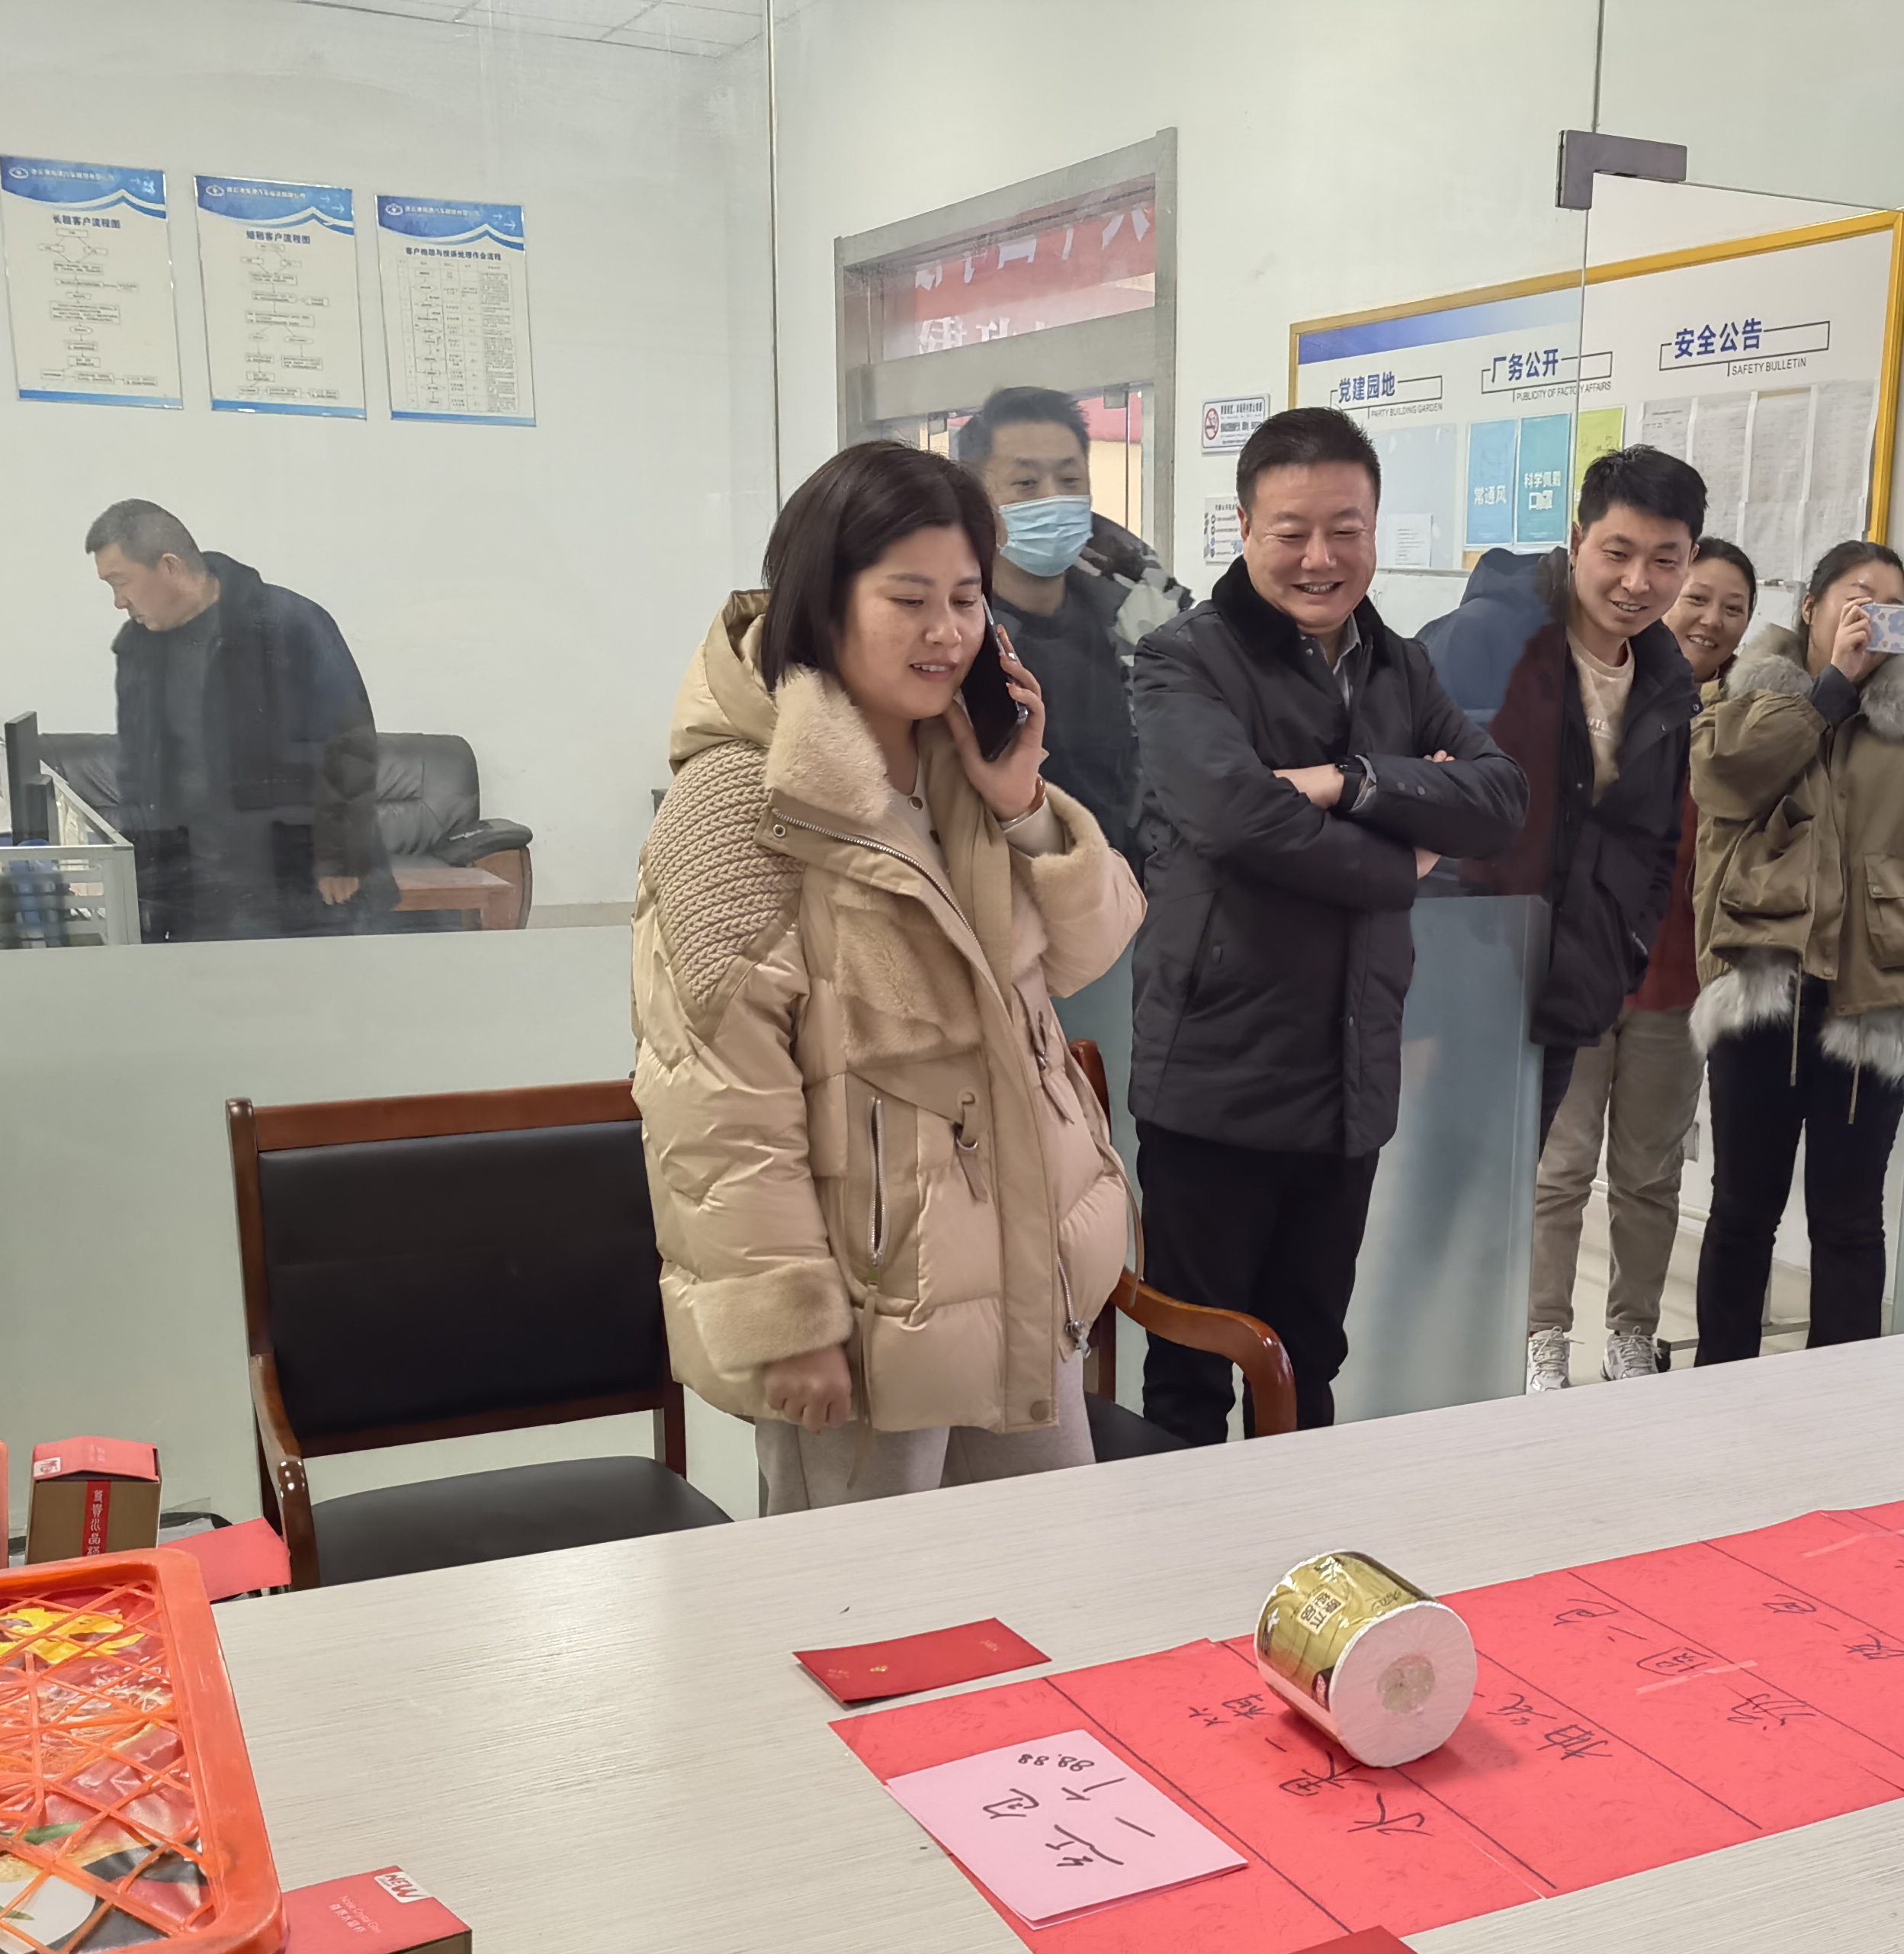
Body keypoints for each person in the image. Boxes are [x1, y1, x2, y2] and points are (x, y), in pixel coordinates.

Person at [629, 439, 1144, 1512]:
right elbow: (718, 1103)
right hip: (869, 1313)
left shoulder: (965, 758)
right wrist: (790, 1323)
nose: (947, 631)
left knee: (1049, 1578)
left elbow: (1086, 955)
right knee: (870, 1607)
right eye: (908, 599)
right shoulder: (738, 804)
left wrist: (1024, 804)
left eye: (966, 598)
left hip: (1018, 1278)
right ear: (823, 601)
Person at [1129, 406, 1525, 1442]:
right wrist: (1405, 853)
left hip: (1348, 1075)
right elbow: (1238, 820)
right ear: (1244, 530)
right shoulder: (1182, 661)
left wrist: (1347, 782)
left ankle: (1301, 1548)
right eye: (1292, 531)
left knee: (1311, 1358)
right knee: (1192, 1370)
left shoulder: (1399, 664)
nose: (1320, 557)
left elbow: (1499, 800)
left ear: (1375, 529)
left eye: (1345, 529)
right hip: (1217, 1078)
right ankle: (1181, 1552)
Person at [1418, 461, 1713, 1389]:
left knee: (1516, 1200)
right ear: (1578, 539)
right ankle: (1417, 1394)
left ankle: (1485, 1386)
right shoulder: (1485, 639)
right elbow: (1409, 797)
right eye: (1617, 552)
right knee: (1433, 1211)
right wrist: (1447, 966)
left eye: (1663, 560)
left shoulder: (1662, 675)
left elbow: (1654, 838)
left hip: (1575, 980)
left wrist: (1623, 947)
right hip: (1465, 983)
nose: (1637, 581)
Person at [1690, 540, 1904, 1361]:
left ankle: (1845, 1402)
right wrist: (1830, 689)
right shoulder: (1745, 696)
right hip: (1762, 984)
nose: (1875, 616)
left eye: (1892, 604)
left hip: (1874, 996)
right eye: (1858, 597)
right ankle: (1716, 1390)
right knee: (1742, 1210)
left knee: (1848, 1218)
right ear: (1812, 608)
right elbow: (1726, 778)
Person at [87, 499, 397, 941]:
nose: (119, 602)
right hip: (187, 886)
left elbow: (349, 741)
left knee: (302, 984)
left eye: (121, 583)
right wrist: (136, 876)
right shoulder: (138, 648)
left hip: (290, 879)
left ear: (169, 566)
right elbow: (137, 768)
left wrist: (342, 856)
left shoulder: (285, 623)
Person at [954, 385, 1190, 872]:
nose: (1053, 498)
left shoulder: (1148, 615)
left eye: (1069, 478)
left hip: (1142, 885)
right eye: (1026, 483)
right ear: (976, 499)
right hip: (1014, 887)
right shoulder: (956, 640)